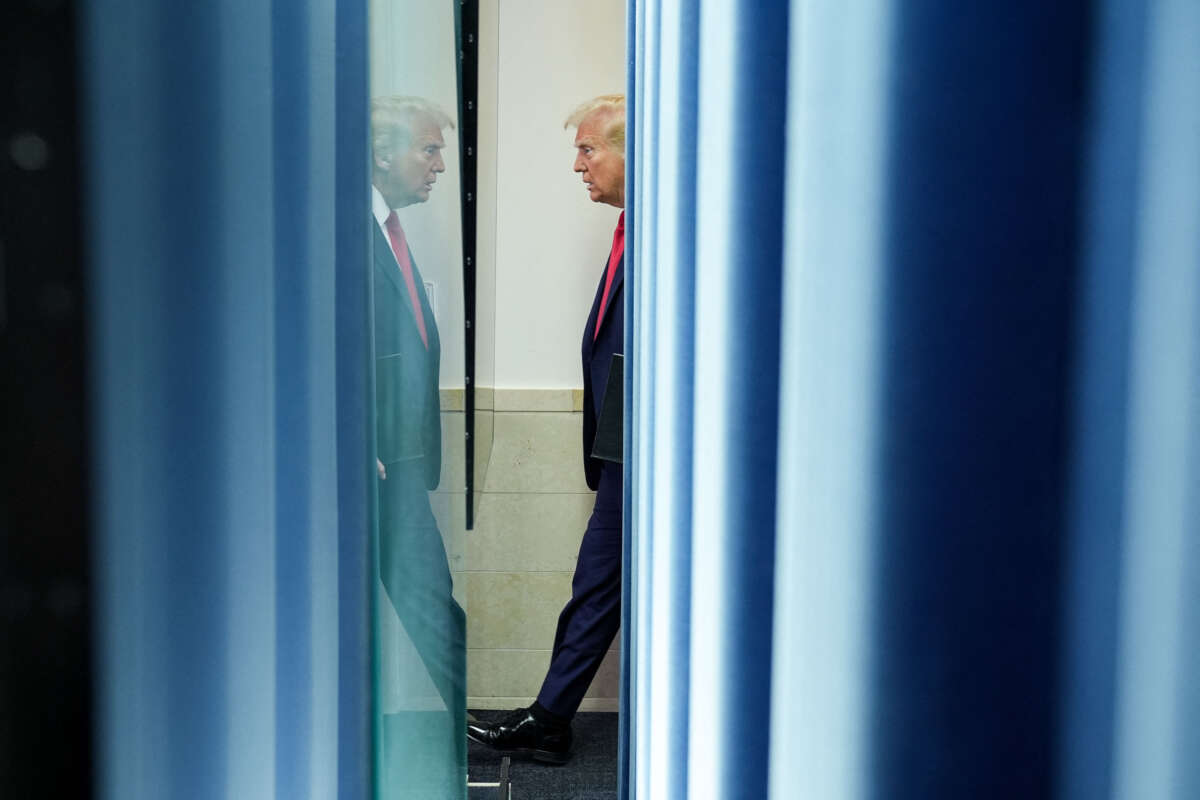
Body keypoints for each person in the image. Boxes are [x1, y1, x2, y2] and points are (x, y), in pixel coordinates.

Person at [467, 94, 627, 765]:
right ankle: (551, 718)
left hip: (654, 456)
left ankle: (551, 719)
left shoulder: (681, 236)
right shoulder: (633, 232)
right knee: (594, 586)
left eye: (588, 149)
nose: (577, 165)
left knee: (597, 586)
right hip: (625, 453)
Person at [370, 95, 467, 792]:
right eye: (429, 150)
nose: (439, 165)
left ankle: (462, 733)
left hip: (397, 464)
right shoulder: (340, 232)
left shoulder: (387, 231)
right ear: (383, 154)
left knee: (432, 599)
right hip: (364, 466)